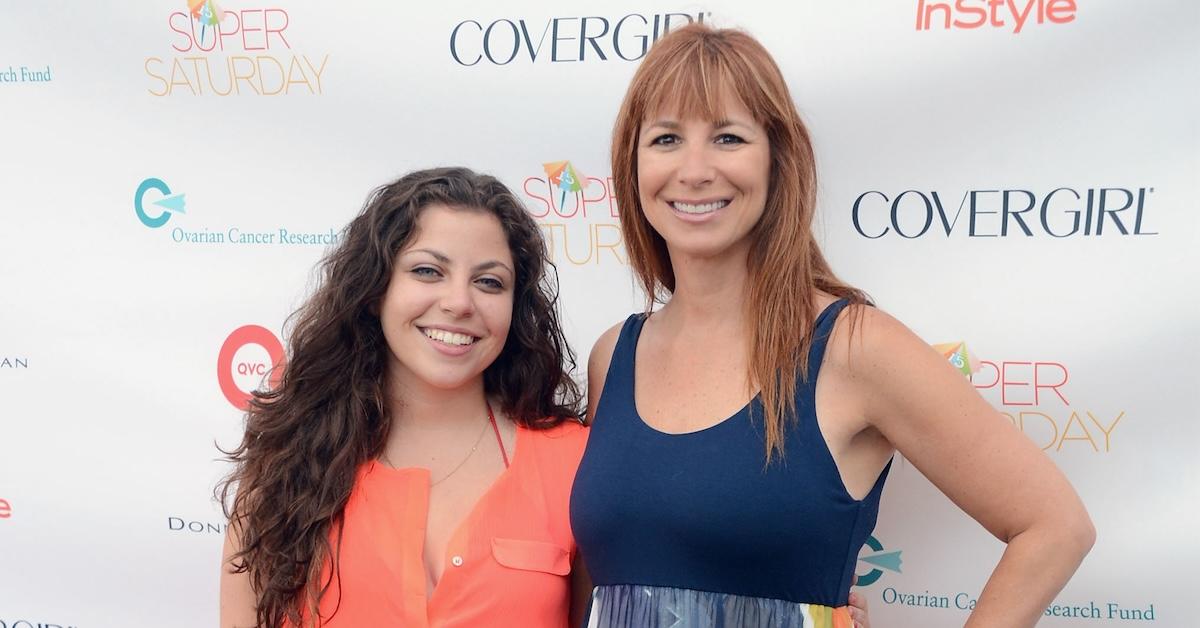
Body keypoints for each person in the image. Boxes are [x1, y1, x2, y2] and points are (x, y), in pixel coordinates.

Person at [570, 23, 1095, 628]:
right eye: (665, 138)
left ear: (777, 161)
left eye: (728, 137)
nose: (694, 170)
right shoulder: (615, 355)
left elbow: (1054, 526)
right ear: (632, 164)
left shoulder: (853, 346)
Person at [215, 167, 874, 628]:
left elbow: (636, 608)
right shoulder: (282, 468)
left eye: (490, 281)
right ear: (374, 288)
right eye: (427, 271)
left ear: (516, 306)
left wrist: (796, 606)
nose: (458, 303)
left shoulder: (574, 463)